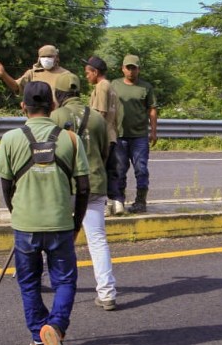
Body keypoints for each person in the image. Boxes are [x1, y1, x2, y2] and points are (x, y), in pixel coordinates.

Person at [0, 81, 90, 345]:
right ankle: (56, 327)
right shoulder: (71, 139)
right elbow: (84, 188)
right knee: (65, 280)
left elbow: (6, 186)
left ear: (23, 106)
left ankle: (39, 336)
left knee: (29, 282)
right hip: (60, 223)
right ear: (53, 106)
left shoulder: (10, 139)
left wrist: (17, 214)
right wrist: (76, 223)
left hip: (26, 224)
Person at [50, 71, 117, 311]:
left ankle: (58, 283)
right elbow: (105, 151)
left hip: (65, 187)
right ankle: (107, 293)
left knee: (55, 237)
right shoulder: (97, 118)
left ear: (58, 94)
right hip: (94, 184)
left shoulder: (55, 116)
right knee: (97, 240)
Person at [111, 54, 158, 214]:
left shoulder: (146, 87)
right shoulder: (114, 85)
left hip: (139, 136)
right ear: (123, 69)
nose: (131, 71)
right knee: (119, 170)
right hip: (119, 135)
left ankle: (140, 201)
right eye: (128, 67)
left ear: (138, 69)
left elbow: (152, 109)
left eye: (134, 68)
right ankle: (119, 201)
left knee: (141, 169)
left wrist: (153, 131)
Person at [83, 55, 123, 215]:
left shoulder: (101, 87)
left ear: (95, 72)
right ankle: (117, 202)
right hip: (111, 134)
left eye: (88, 73)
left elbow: (100, 113)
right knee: (111, 170)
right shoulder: (110, 86)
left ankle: (105, 204)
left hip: (101, 137)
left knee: (100, 171)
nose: (86, 76)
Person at [0, 44, 68, 96]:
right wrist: (3, 74)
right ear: (39, 59)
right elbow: (16, 87)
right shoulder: (32, 74)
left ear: (56, 57)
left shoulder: (66, 75)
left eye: (50, 57)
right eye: (43, 57)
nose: (46, 59)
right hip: (37, 115)